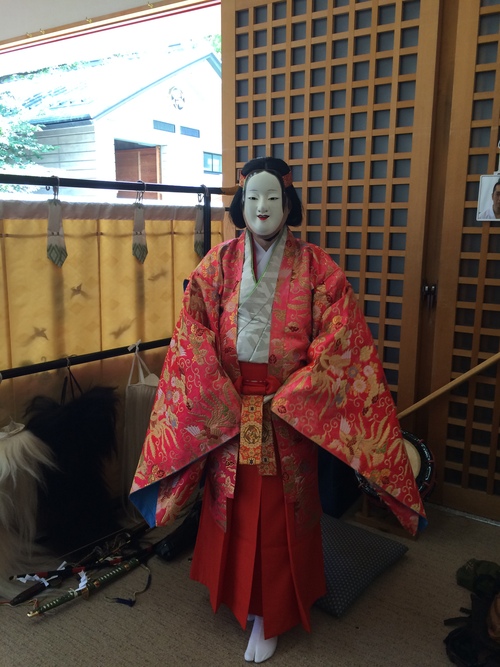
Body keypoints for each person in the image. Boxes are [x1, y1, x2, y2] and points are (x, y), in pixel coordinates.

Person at [130, 157, 427, 663]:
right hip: (227, 404)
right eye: (253, 198)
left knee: (276, 513)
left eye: (273, 197)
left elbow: (341, 343)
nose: (263, 207)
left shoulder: (319, 269)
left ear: (289, 204)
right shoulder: (216, 265)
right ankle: (241, 599)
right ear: (240, 205)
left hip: (287, 410)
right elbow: (192, 335)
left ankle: (271, 613)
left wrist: (291, 398)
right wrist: (220, 395)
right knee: (232, 503)